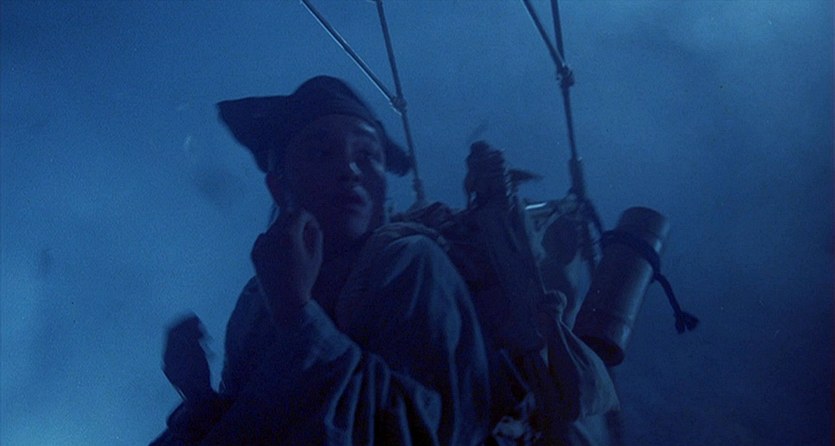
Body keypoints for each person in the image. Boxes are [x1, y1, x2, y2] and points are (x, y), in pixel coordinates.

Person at [151, 75, 618, 445]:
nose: (350, 169)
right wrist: (199, 398)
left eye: (367, 154)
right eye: (322, 152)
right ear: (280, 186)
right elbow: (257, 423)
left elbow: (435, 431)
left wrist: (297, 315)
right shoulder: (259, 294)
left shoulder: (407, 263)